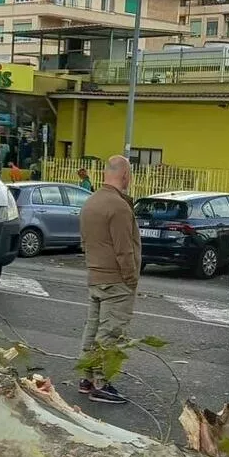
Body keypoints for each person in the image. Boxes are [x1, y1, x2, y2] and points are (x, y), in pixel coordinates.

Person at [78, 155, 140, 405]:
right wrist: (131, 279)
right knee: (111, 333)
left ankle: (86, 377)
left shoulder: (90, 202)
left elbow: (84, 242)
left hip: (95, 277)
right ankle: (102, 384)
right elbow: (124, 249)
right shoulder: (118, 207)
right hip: (116, 281)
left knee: (92, 329)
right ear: (125, 175)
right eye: (130, 175)